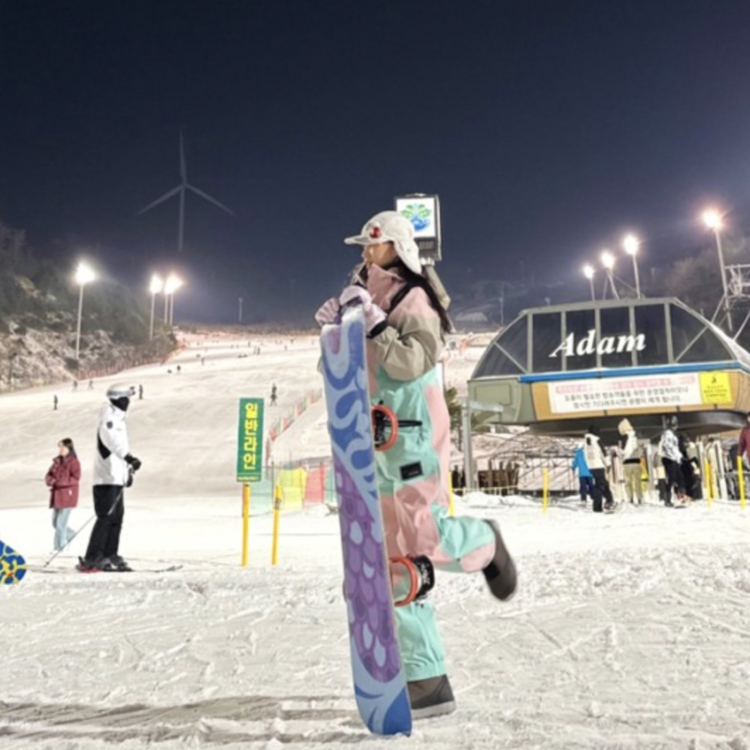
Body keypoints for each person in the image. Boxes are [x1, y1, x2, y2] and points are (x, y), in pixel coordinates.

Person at [315, 210, 517, 719]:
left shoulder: (414, 299)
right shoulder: (360, 296)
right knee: (391, 562)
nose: (366, 253)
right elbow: (343, 373)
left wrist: (377, 325)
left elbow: (410, 362)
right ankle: (426, 677)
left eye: (374, 244)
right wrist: (334, 335)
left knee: (419, 544)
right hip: (371, 443)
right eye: (363, 246)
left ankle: (483, 541)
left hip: (411, 436)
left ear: (398, 248)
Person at [79, 383, 142, 571]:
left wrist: (126, 472)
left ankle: (110, 553)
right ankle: (93, 556)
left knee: (116, 518)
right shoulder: (109, 419)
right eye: (126, 398)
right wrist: (129, 458)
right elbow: (112, 442)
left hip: (115, 477)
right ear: (119, 399)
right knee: (105, 517)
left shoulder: (118, 420)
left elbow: (117, 450)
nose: (128, 402)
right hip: (105, 478)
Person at [45, 438, 81, 552]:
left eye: (62, 447)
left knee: (60, 523)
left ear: (68, 448)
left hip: (68, 496)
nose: (60, 449)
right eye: (59, 447)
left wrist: (59, 482)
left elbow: (76, 478)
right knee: (55, 523)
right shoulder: (57, 461)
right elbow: (49, 475)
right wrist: (50, 481)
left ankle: (59, 547)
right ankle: (70, 534)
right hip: (57, 495)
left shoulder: (74, 462)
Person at [583, 425, 614, 512]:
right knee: (601, 486)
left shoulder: (585, 442)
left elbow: (585, 455)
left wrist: (588, 465)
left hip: (591, 467)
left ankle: (604, 503)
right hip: (599, 465)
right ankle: (604, 503)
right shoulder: (597, 440)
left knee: (600, 485)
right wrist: (608, 464)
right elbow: (604, 453)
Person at [658, 416, 685, 506]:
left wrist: (678, 457)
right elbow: (669, 448)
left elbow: (674, 448)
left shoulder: (671, 435)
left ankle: (680, 496)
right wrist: (677, 456)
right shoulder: (668, 435)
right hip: (669, 458)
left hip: (673, 458)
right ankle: (668, 499)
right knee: (672, 478)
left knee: (678, 477)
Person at [618, 419, 644, 505]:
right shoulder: (636, 436)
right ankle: (640, 498)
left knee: (628, 482)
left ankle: (630, 498)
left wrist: (620, 453)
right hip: (636, 462)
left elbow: (622, 452)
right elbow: (640, 449)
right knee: (637, 481)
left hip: (627, 462)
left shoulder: (623, 438)